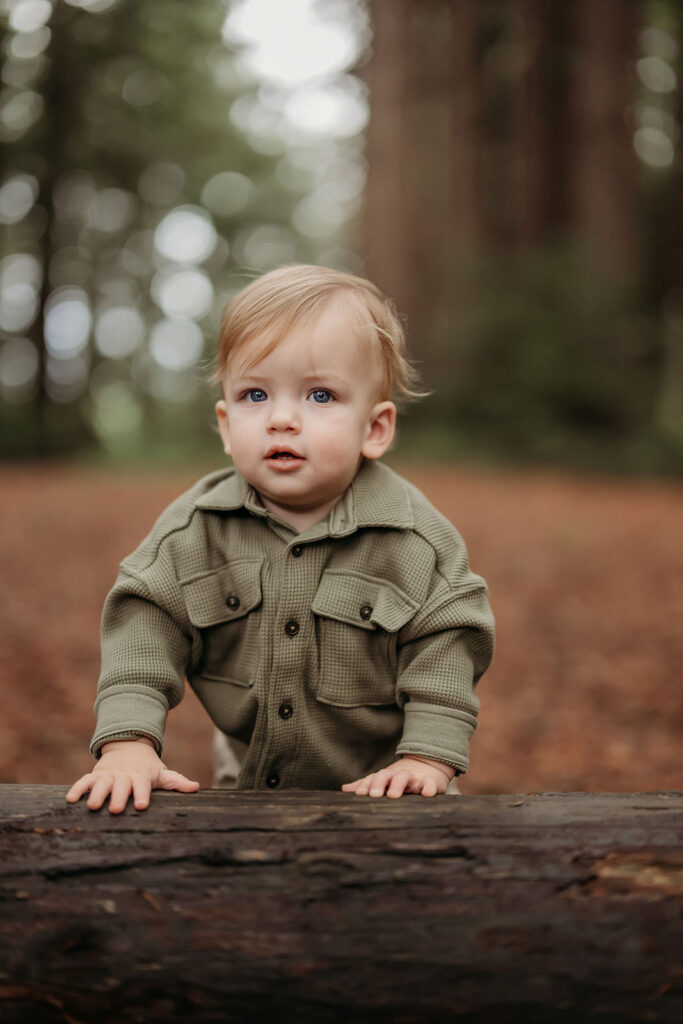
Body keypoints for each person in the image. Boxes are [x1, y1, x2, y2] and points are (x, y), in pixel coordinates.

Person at [66, 265, 494, 814]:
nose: (282, 419)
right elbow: (144, 626)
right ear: (225, 425)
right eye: (254, 394)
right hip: (246, 774)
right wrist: (128, 742)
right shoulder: (194, 531)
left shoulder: (413, 543)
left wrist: (429, 758)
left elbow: (449, 641)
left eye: (319, 395)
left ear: (375, 428)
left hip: (391, 777)